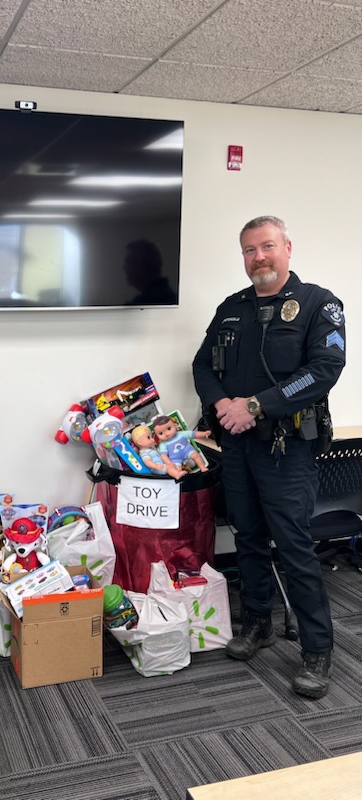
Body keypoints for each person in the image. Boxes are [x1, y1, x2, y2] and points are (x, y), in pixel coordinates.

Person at [192, 215, 345, 699]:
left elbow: (326, 368)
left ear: (287, 248)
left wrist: (255, 406)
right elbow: (201, 363)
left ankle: (316, 650)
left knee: (294, 546)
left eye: (267, 247)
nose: (258, 257)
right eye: (249, 250)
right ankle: (257, 623)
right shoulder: (232, 307)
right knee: (248, 537)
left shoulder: (320, 304)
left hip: (287, 448)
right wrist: (222, 406)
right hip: (236, 445)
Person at [123, 239, 178, 306]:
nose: (124, 268)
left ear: (145, 265)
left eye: (129, 262)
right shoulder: (167, 295)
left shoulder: (147, 301)